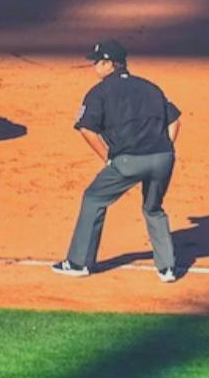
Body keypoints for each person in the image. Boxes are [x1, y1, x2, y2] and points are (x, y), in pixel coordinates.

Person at [51, 39, 182, 282]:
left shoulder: (99, 93)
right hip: (163, 158)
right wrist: (167, 149)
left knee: (94, 198)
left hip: (129, 161)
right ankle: (168, 268)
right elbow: (174, 121)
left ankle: (79, 262)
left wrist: (108, 158)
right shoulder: (150, 87)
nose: (94, 67)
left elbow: (86, 129)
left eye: (97, 62)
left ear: (109, 64)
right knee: (153, 208)